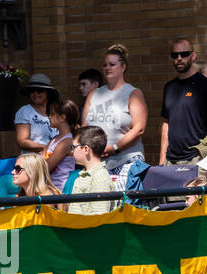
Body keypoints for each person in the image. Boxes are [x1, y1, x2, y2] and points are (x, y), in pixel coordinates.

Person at [83, 43, 147, 176]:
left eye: (112, 65)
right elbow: (85, 127)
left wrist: (115, 148)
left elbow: (139, 128)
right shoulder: (93, 94)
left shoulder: (133, 93)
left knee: (125, 197)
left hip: (127, 160)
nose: (107, 68)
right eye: (105, 65)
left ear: (123, 67)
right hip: (98, 162)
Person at [159, 36, 207, 163]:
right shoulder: (169, 87)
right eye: (175, 55)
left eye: (184, 54)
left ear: (193, 56)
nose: (179, 58)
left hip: (197, 158)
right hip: (170, 160)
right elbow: (166, 123)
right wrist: (162, 158)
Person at [67, 126, 117, 215]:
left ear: (86, 149)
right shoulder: (83, 174)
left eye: (73, 147)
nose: (71, 151)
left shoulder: (100, 178)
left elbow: (99, 217)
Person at [14, 73, 59, 153]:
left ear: (47, 93)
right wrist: (48, 148)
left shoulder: (56, 112)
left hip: (55, 160)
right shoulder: (25, 111)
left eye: (39, 90)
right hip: (33, 161)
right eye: (32, 91)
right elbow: (22, 142)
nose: (35, 93)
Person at [45, 98, 79, 190]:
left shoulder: (66, 142)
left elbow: (46, 167)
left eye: (52, 114)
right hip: (50, 186)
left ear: (62, 117)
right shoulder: (55, 138)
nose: (49, 117)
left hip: (60, 188)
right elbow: (41, 158)